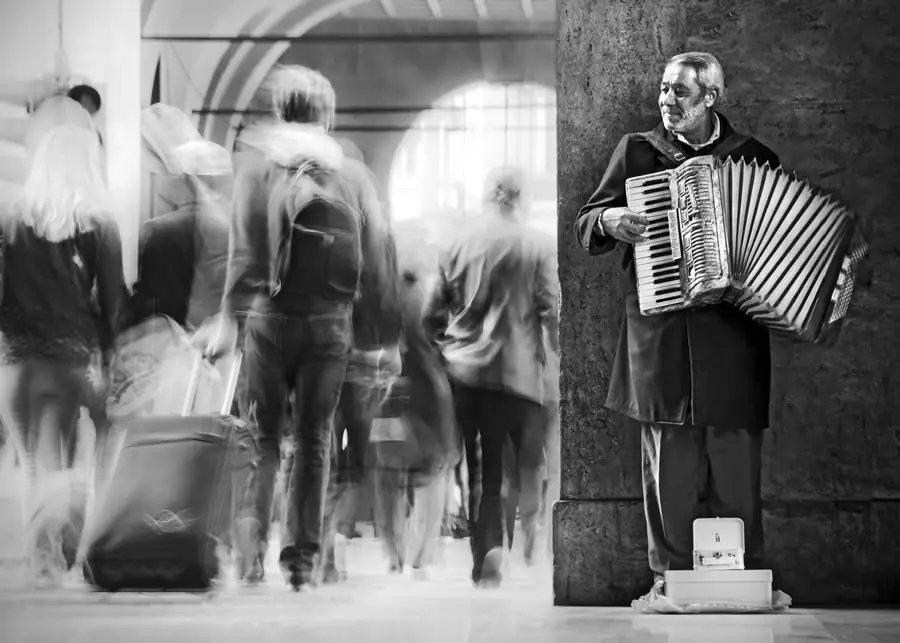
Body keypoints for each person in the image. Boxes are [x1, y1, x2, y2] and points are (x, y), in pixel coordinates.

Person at [573, 51, 781, 600]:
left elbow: (781, 253)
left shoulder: (755, 159)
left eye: (679, 93)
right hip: (661, 336)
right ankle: (670, 579)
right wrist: (609, 220)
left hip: (733, 340)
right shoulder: (637, 153)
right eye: (663, 91)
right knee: (668, 467)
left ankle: (741, 581)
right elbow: (586, 223)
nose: (666, 102)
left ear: (710, 97)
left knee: (736, 464)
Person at [194, 65, 397, 591]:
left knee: (262, 439)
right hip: (330, 322)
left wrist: (228, 319)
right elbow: (376, 259)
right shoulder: (349, 173)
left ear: (280, 110)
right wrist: (380, 339)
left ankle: (251, 540)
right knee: (313, 439)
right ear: (325, 114)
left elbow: (241, 253)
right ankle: (301, 555)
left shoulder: (257, 168)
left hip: (267, 318)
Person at [0, 114, 127, 585]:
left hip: (15, 364)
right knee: (70, 459)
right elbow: (113, 304)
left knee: (36, 464)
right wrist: (109, 359)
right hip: (70, 359)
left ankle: (43, 559)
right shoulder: (99, 224)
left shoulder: (9, 221)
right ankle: (64, 552)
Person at [424, 166, 558, 587]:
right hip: (520, 376)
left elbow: (429, 316)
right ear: (522, 200)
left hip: (466, 375)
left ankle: (488, 552)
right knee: (521, 464)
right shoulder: (536, 245)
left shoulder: (454, 244)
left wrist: (447, 352)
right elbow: (551, 310)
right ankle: (514, 538)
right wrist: (554, 362)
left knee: (481, 468)